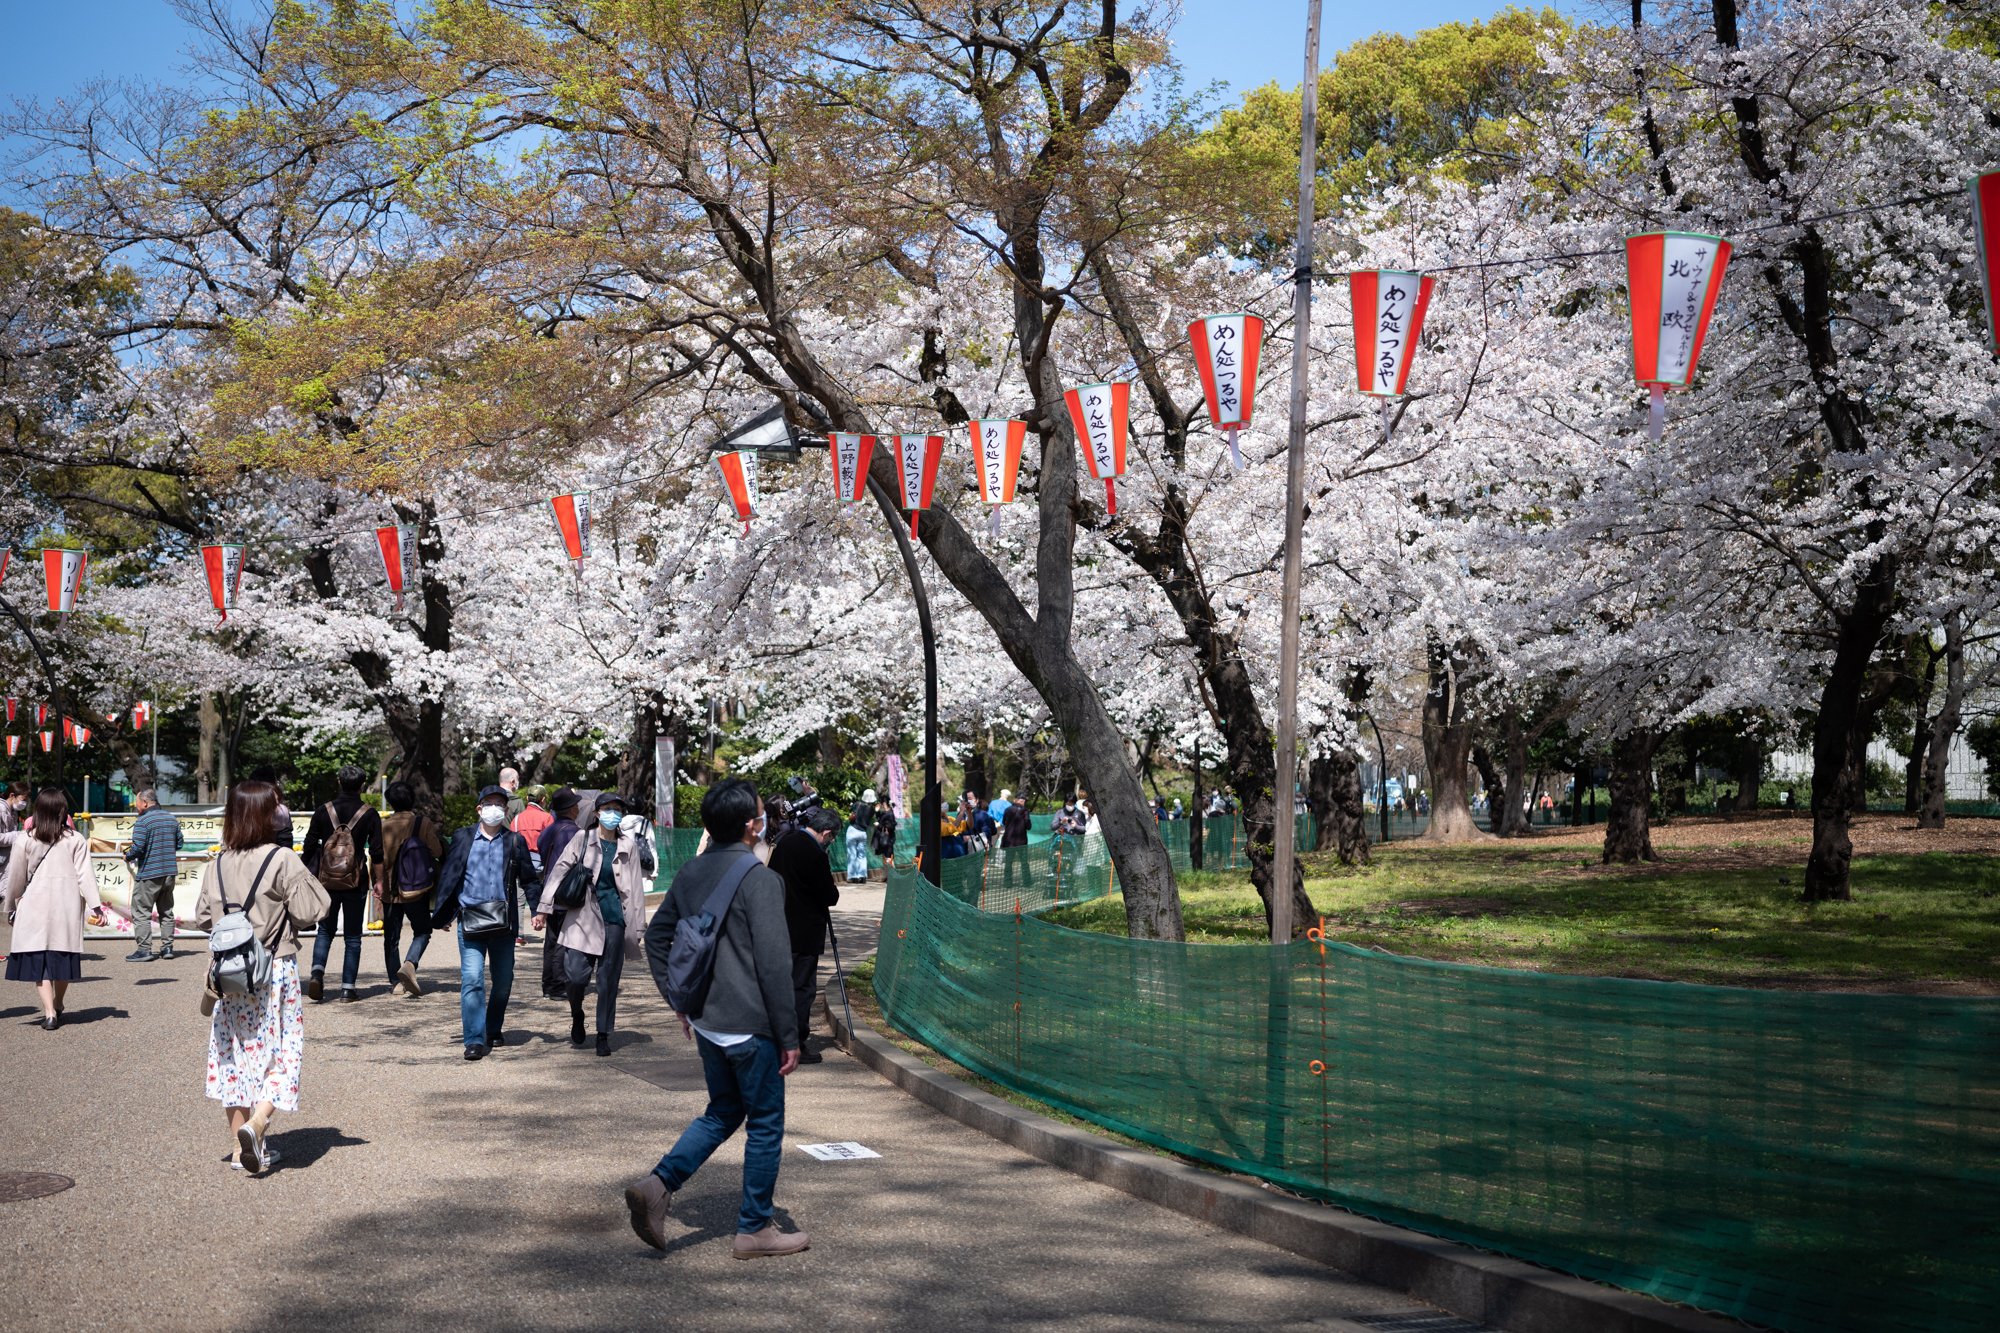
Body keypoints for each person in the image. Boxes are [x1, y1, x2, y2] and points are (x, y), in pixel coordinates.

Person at [629, 779, 806, 1259]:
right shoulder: (762, 880)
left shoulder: (690, 871)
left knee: (724, 1111)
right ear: (751, 826)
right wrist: (789, 1034)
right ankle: (755, 1229)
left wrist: (678, 1000)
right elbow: (774, 965)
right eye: (761, 814)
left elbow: (657, 938)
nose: (764, 820)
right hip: (751, 1025)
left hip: (707, 1020)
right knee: (764, 1123)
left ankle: (658, 1185)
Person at [196, 779, 330, 1173]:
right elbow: (311, 911)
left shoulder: (216, 864)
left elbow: (203, 918)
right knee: (284, 1049)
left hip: (228, 974)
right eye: (276, 807)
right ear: (264, 815)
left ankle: (241, 1151)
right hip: (273, 968)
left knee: (233, 1052)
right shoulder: (281, 858)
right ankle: (256, 1125)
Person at [534, 792, 653, 1056]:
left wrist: (638, 927)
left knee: (608, 981)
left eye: (617, 809)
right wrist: (544, 907)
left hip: (615, 919)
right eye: (608, 809)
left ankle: (603, 1034)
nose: (613, 814)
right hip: (583, 918)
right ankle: (577, 1012)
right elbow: (559, 871)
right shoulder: (582, 838)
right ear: (597, 813)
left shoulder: (628, 845)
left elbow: (635, 889)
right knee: (576, 976)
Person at [432, 785, 540, 1060]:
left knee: (503, 981)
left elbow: (529, 879)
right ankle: (475, 1040)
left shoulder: (514, 841)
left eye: (500, 804)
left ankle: (492, 1027)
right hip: (470, 920)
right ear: (479, 808)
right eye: (489, 803)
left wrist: (538, 911)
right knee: (472, 980)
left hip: (503, 923)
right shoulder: (463, 837)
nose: (495, 808)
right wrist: (444, 913)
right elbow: (450, 875)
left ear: (505, 810)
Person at [2, 788, 101, 1030]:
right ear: (62, 811)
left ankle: (49, 1013)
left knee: (40, 961)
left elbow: (16, 877)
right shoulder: (75, 839)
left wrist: (10, 905)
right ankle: (58, 1003)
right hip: (65, 905)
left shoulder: (25, 839)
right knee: (63, 955)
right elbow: (85, 875)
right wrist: (96, 906)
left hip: (34, 904)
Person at [300, 765, 383, 1003]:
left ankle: (317, 973)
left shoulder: (323, 810)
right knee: (353, 936)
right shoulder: (369, 813)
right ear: (362, 785)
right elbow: (377, 852)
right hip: (356, 881)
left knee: (325, 930)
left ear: (339, 782)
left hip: (326, 881)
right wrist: (379, 881)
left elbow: (309, 845)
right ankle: (348, 989)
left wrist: (306, 871)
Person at [769, 806, 840, 1065]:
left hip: (778, 927)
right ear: (827, 833)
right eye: (832, 837)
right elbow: (829, 895)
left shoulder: (785, 844)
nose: (830, 842)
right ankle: (795, 1043)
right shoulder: (815, 853)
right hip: (805, 931)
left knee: (779, 985)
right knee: (801, 988)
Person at [379, 781, 443, 997]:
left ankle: (395, 983)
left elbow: (376, 859)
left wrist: (376, 882)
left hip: (390, 890)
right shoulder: (422, 823)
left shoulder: (383, 825)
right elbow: (436, 850)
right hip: (416, 889)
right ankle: (410, 963)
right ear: (412, 800)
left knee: (391, 938)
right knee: (423, 930)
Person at [123, 788, 185, 962]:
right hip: (169, 872)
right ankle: (167, 948)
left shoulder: (143, 821)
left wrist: (127, 856)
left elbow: (138, 848)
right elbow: (179, 843)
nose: (135, 806)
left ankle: (144, 950)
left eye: (136, 803)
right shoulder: (171, 818)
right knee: (166, 911)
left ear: (144, 803)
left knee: (141, 911)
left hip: (149, 873)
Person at [535, 787, 583, 999]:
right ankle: (558, 985)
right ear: (571, 809)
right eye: (576, 804)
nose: (578, 808)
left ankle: (548, 984)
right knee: (563, 940)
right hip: (567, 890)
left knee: (551, 939)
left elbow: (541, 850)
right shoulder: (575, 832)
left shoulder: (548, 830)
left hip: (549, 888)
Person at [513, 786, 554, 875]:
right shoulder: (547, 818)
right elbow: (551, 844)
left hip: (520, 867)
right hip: (541, 867)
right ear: (543, 799)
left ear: (527, 798)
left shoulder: (517, 819)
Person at [0, 781, 30, 880]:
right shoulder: (1, 810)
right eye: (23, 799)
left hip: (6, 863)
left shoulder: (13, 812)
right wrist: (18, 835)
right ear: (12, 795)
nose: (24, 803)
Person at [843, 789, 874, 884]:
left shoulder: (857, 804)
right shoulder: (872, 809)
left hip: (853, 830)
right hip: (863, 833)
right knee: (862, 855)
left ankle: (853, 877)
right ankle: (862, 876)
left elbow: (851, 811)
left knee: (852, 854)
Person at [870, 793, 897, 870]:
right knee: (885, 858)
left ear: (885, 803)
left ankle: (893, 875)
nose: (881, 805)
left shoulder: (890, 814)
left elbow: (891, 826)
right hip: (883, 839)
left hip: (887, 839)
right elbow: (880, 818)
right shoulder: (885, 813)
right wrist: (877, 811)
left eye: (882, 803)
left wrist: (879, 825)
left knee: (888, 858)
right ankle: (887, 875)